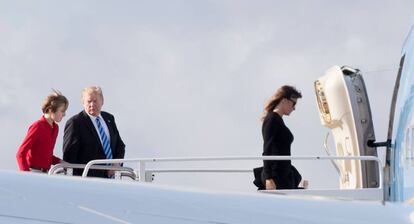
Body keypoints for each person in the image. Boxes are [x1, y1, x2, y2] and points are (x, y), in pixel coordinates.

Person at [63, 86, 125, 178]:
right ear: (83, 103)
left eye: (95, 101)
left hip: (113, 179)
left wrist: (117, 164)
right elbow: (69, 157)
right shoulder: (75, 123)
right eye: (89, 101)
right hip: (88, 180)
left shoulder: (109, 118)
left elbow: (120, 146)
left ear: (102, 101)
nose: (92, 104)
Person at [257, 85, 303, 190]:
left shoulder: (277, 120)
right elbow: (267, 149)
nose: (294, 108)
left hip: (283, 174)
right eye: (293, 104)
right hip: (276, 176)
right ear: (284, 100)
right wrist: (269, 178)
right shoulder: (272, 119)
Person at [16, 90, 69, 173]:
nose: (64, 114)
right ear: (51, 110)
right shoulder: (37, 126)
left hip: (47, 173)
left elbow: (45, 155)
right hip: (34, 173)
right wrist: (26, 175)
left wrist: (61, 162)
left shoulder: (55, 128)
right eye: (62, 111)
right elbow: (20, 154)